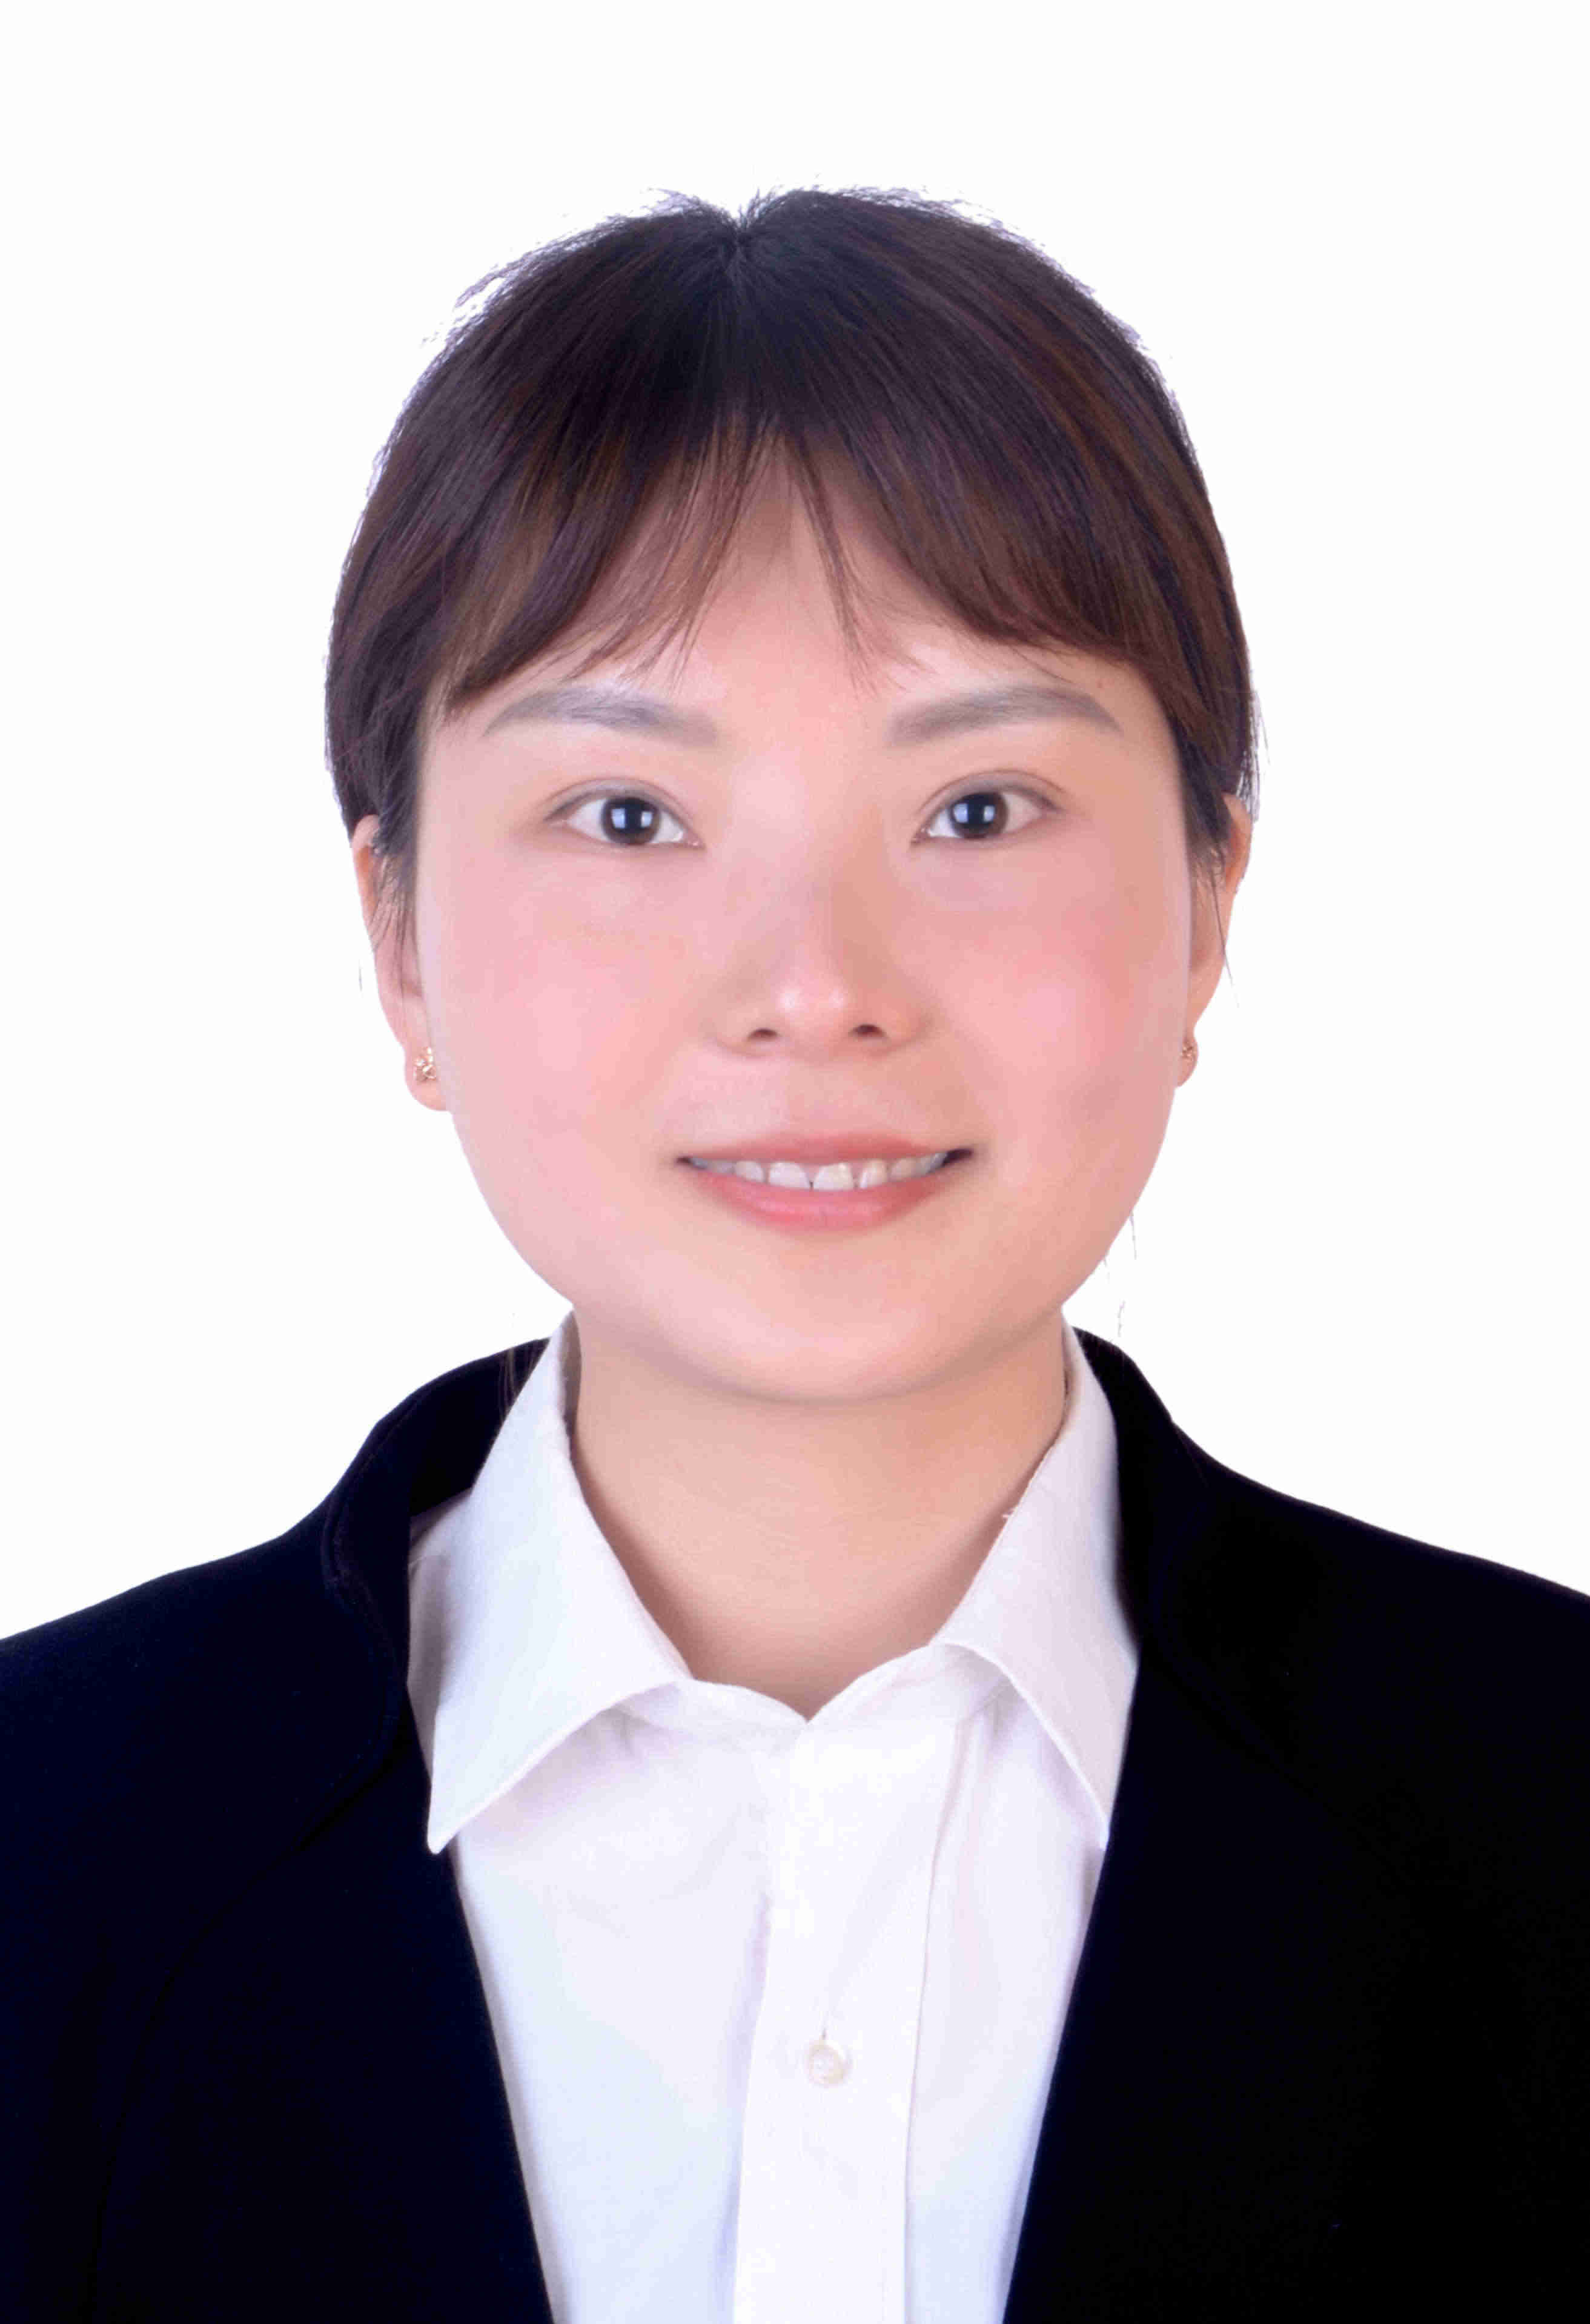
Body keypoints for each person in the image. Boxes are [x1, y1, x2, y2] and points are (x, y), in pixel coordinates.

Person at [2, 186, 1586, 2324]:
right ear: (398, 939)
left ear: (1210, 899)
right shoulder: (37, 1846)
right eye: (629, 818)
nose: (816, 988)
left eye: (976, 811)